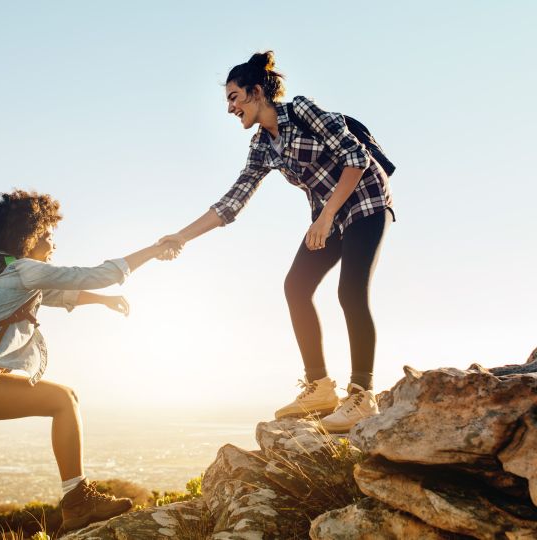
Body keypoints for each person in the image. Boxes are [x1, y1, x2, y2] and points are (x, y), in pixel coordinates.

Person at [0, 189, 178, 539]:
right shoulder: (25, 272)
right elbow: (98, 274)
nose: (52, 243)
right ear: (28, 237)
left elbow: (61, 295)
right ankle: (78, 499)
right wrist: (153, 250)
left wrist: (103, 301)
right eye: (47, 234)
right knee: (64, 399)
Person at [158, 51, 394, 433]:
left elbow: (357, 158)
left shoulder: (302, 111)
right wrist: (180, 237)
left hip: (365, 202)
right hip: (328, 218)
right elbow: (231, 203)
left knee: (350, 291)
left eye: (234, 97)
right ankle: (319, 388)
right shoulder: (262, 147)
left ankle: (362, 395)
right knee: (296, 286)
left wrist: (327, 215)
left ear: (255, 92)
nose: (230, 108)